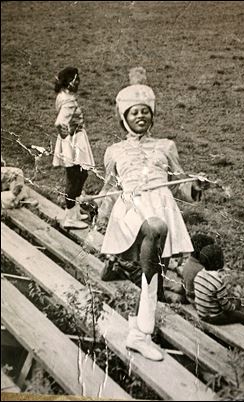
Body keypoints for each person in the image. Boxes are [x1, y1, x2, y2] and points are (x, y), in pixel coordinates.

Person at [94, 67, 206, 361]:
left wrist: (194, 185)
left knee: (153, 264)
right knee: (154, 230)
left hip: (162, 206)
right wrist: (101, 220)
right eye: (134, 113)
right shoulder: (114, 150)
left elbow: (179, 184)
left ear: (152, 116)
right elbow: (110, 188)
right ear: (124, 119)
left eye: (145, 111)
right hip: (131, 209)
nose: (140, 116)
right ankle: (141, 331)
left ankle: (140, 330)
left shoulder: (166, 146)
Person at [52, 67, 95, 229]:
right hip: (74, 140)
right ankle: (70, 217)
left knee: (80, 175)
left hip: (71, 140)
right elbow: (59, 122)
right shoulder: (69, 101)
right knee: (75, 177)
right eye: (76, 79)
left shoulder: (63, 96)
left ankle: (74, 211)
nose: (78, 82)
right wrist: (67, 135)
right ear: (69, 82)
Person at [181, 235, 244, 327]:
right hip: (209, 311)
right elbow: (224, 305)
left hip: (200, 305)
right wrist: (234, 305)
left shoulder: (190, 265)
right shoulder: (203, 272)